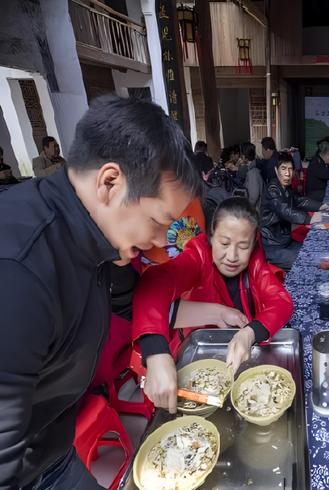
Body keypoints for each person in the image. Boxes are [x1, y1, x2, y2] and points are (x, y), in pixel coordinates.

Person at [0, 95, 200, 488]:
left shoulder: (95, 238)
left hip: (51, 451)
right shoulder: (19, 270)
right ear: (110, 182)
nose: (161, 242)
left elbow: (133, 299)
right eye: (159, 222)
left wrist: (157, 350)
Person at [132, 197, 293, 412]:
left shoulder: (255, 261)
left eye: (243, 246)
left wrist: (249, 333)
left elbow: (281, 301)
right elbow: (153, 286)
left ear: (254, 243)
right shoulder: (198, 255)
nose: (232, 256)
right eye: (224, 243)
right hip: (197, 359)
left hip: (235, 354)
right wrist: (155, 352)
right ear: (210, 236)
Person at [260, 152, 328, 270]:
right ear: (276, 170)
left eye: (290, 169)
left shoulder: (286, 187)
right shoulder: (273, 189)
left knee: (315, 253)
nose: (287, 173)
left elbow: (299, 201)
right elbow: (284, 210)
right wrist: (309, 219)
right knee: (309, 263)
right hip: (274, 247)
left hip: (287, 241)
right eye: (283, 169)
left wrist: (320, 206)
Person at [238, 142, 264, 210]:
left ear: (244, 156)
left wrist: (246, 209)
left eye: (241, 154)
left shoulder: (253, 173)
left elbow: (253, 198)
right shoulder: (252, 168)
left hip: (254, 212)